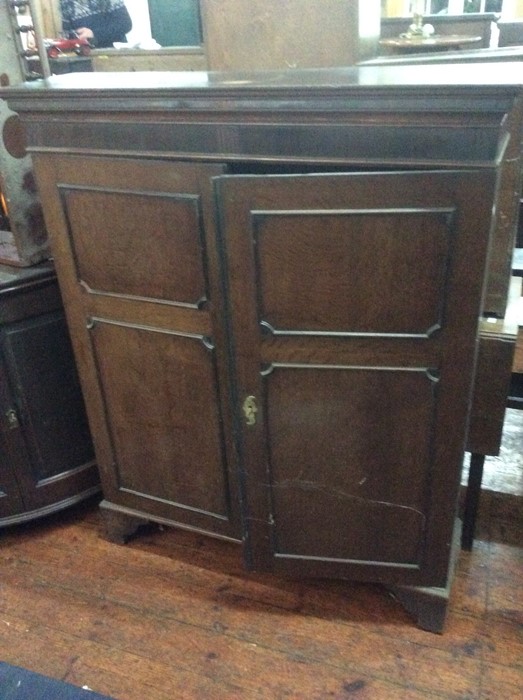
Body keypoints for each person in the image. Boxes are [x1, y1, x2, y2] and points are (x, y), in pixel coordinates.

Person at [59, 1, 132, 48]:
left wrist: (94, 34)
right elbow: (65, 33)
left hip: (111, 53)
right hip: (80, 56)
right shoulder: (63, 3)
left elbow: (125, 23)